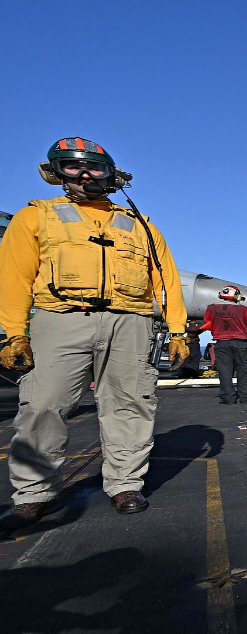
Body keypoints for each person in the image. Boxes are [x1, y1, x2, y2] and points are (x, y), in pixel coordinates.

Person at [0, 137, 189, 528]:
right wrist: (15, 333)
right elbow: (14, 277)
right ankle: (34, 493)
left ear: (111, 173)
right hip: (59, 318)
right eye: (72, 167)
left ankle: (125, 483)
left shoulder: (139, 225)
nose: (85, 175)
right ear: (57, 173)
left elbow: (166, 280)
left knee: (131, 403)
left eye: (94, 168)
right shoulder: (36, 217)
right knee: (43, 405)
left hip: (131, 322)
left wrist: (177, 331)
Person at [200, 285, 247, 404]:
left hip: (221, 343)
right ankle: (246, 396)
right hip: (240, 343)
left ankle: (228, 397)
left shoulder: (211, 308)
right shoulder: (243, 309)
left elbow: (208, 321)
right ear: (235, 295)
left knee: (224, 372)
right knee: (244, 371)